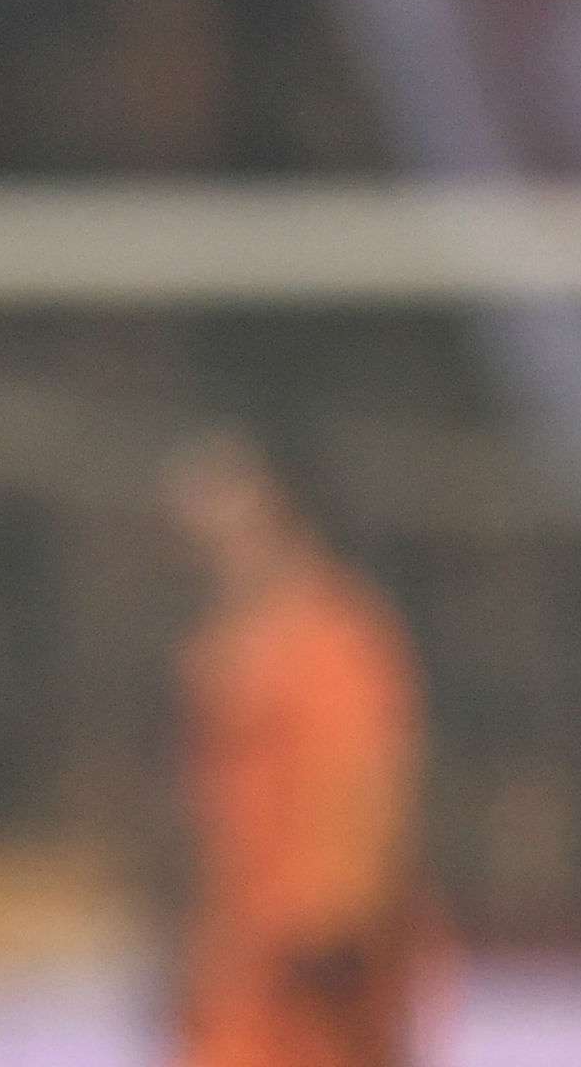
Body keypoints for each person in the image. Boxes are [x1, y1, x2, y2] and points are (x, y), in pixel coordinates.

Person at [166, 434, 434, 1067]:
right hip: (237, 968)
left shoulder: (335, 640)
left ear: (279, 509)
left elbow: (364, 789)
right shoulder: (223, 649)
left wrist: (332, 920)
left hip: (313, 974)